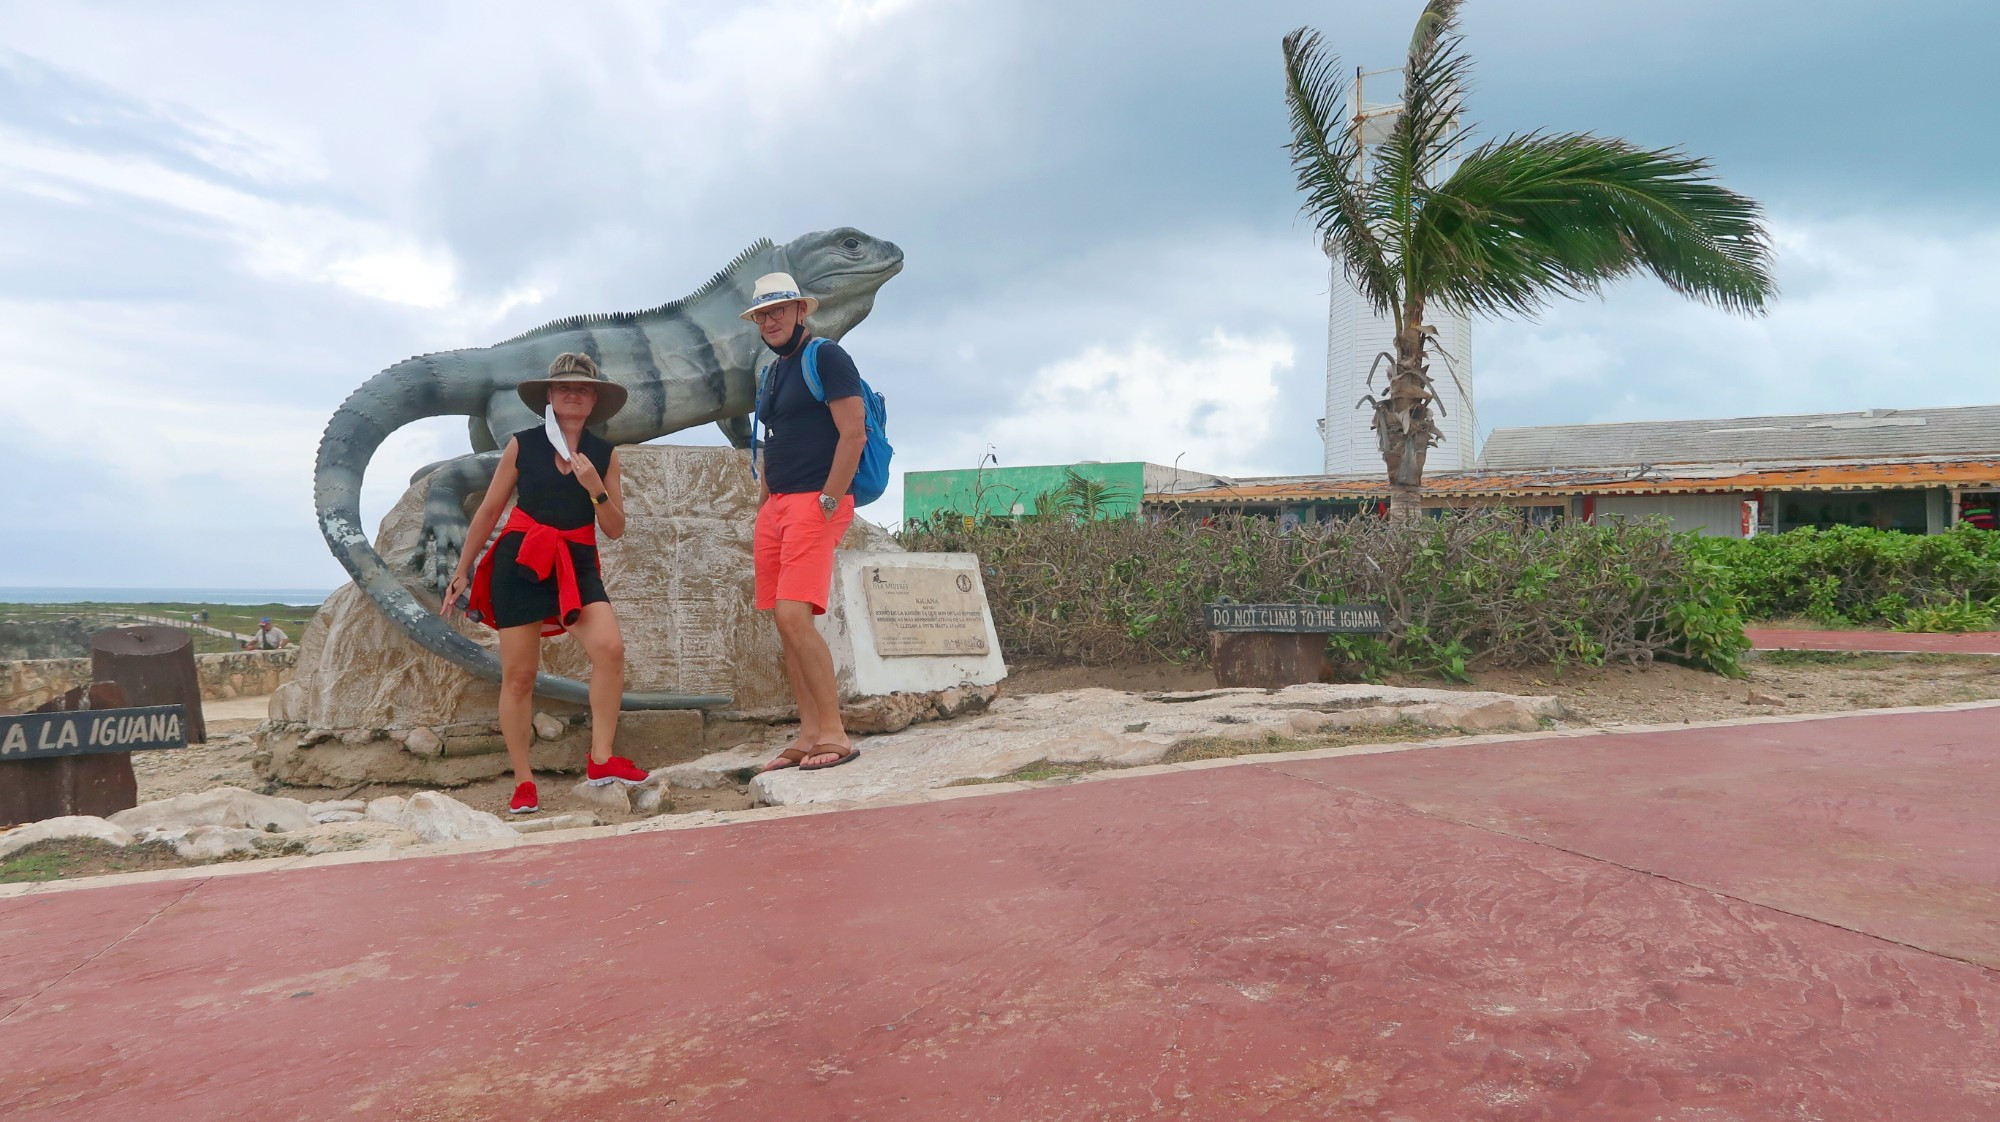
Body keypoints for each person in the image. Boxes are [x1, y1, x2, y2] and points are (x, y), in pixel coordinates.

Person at [443, 352, 648, 814]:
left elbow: (614, 527)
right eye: (563, 388)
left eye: (582, 388)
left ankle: (600, 759)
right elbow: (490, 509)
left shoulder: (603, 454)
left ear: (594, 399)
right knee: (519, 676)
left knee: (610, 650)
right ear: (550, 398)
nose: (572, 394)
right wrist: (463, 568)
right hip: (522, 562)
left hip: (576, 563)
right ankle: (523, 780)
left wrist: (594, 486)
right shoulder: (524, 444)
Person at [745, 272, 867, 773]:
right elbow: (776, 439)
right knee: (784, 622)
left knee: (796, 617)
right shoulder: (773, 371)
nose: (771, 320)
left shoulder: (827, 356)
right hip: (776, 506)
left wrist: (829, 501)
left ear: (801, 311)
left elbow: (853, 433)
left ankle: (834, 732)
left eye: (779, 310)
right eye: (762, 314)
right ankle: (809, 731)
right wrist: (764, 504)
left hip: (815, 503)